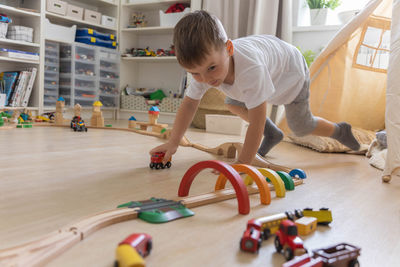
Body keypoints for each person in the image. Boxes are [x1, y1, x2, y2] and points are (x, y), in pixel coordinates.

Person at [150, 10, 360, 165]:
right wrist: (173, 142)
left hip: (290, 74)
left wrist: (242, 165)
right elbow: (188, 105)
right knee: (232, 103)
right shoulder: (202, 69)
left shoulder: (250, 70)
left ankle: (340, 130)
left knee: (300, 126)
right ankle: (273, 134)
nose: (204, 79)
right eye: (195, 73)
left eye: (212, 68)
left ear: (229, 49)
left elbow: (256, 123)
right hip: (268, 68)